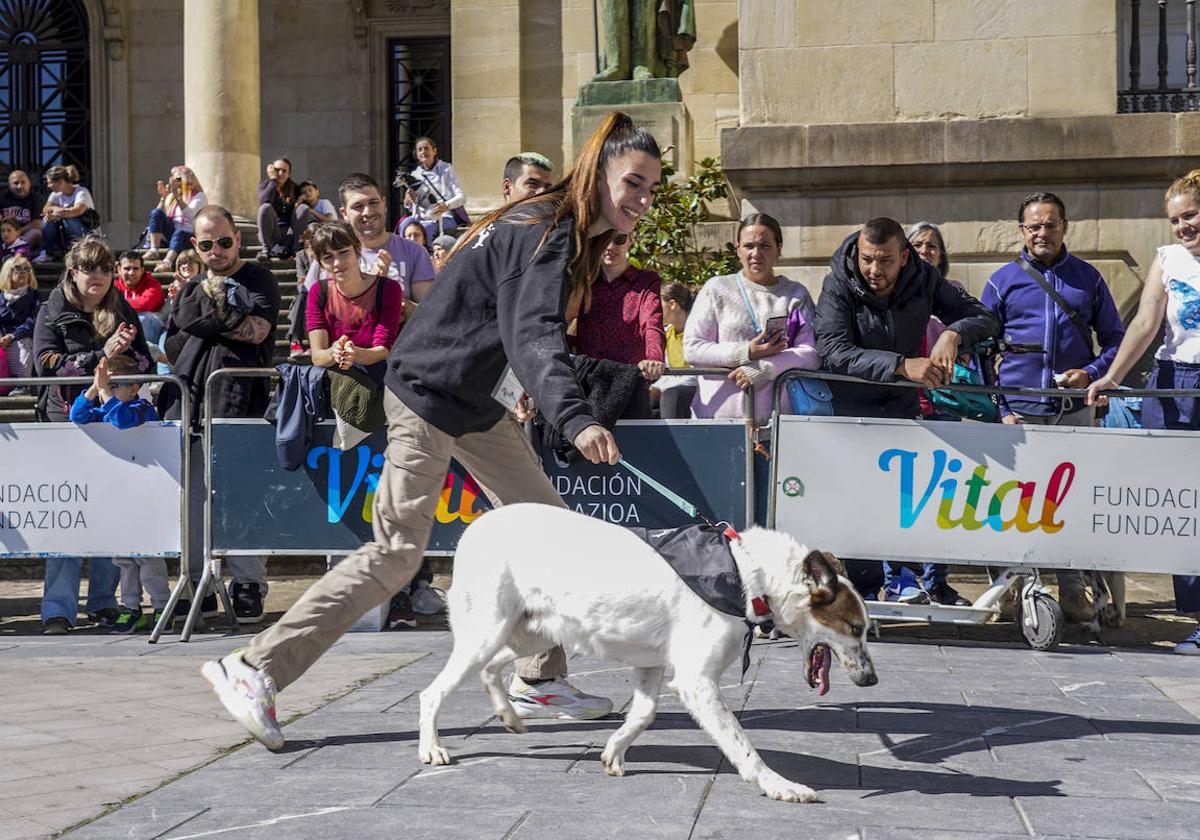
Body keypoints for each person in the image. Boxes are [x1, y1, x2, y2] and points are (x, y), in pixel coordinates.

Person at [201, 110, 662, 750]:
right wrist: (577, 418)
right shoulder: (546, 230)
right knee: (396, 553)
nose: (641, 199)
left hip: (472, 403)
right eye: (633, 182)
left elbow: (512, 334)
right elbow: (532, 338)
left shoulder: (552, 225)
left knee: (550, 527)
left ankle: (537, 676)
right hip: (424, 394)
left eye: (650, 188)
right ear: (598, 172)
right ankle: (253, 666)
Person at [814, 217, 998, 601]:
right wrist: (901, 365)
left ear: (904, 257)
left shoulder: (925, 277)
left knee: (902, 503)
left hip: (901, 410)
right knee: (857, 503)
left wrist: (953, 333)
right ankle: (862, 594)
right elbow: (832, 351)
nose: (873, 270)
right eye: (867, 259)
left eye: (884, 261)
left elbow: (984, 317)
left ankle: (905, 582)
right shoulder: (837, 282)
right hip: (851, 412)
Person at [982, 193, 1126, 623]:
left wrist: (1093, 372)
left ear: (1065, 226)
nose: (1043, 233)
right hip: (1019, 411)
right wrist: (1001, 405)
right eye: (1034, 226)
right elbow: (983, 350)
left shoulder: (1089, 279)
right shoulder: (1001, 281)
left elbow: (1116, 340)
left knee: (1070, 500)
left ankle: (1071, 585)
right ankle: (1016, 584)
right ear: (1021, 230)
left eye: (1051, 225)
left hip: (1072, 409)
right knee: (1014, 501)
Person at [1087, 169, 1200, 654]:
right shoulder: (1168, 259)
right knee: (1184, 506)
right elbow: (1146, 319)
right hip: (1173, 384)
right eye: (1174, 220)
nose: (1182, 228)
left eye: (1190, 215)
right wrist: (1112, 375)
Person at [158, 205, 281, 624]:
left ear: (238, 239)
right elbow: (173, 338)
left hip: (242, 400)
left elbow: (258, 331)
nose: (217, 251)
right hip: (190, 399)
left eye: (224, 242)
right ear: (196, 245)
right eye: (207, 244)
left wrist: (206, 320)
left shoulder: (259, 278)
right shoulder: (191, 285)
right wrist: (226, 318)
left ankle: (247, 584)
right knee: (192, 500)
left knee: (241, 496)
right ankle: (197, 584)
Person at [33, 236, 151, 634]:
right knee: (67, 518)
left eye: (105, 268)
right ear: (73, 271)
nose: (98, 276)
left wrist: (122, 355)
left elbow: (144, 363)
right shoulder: (54, 308)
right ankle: (58, 609)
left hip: (111, 423)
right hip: (65, 422)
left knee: (108, 514)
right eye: (90, 268)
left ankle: (103, 602)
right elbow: (44, 365)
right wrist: (100, 356)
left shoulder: (121, 307)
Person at [684, 213, 820, 422]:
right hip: (719, 421)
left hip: (779, 423)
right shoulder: (717, 288)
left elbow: (810, 353)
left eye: (765, 246)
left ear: (779, 248)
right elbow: (693, 348)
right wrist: (746, 352)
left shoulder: (796, 294)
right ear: (738, 249)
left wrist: (764, 368)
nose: (756, 253)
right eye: (749, 246)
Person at [69, 355, 168, 634]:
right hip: (117, 495)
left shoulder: (141, 408)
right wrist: (94, 387)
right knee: (124, 559)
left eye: (116, 387)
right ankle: (131, 608)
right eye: (108, 386)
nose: (109, 392)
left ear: (135, 386)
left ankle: (162, 606)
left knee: (148, 557)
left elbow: (123, 422)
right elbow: (77, 416)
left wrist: (104, 393)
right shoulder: (105, 408)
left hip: (144, 495)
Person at [305, 173, 436, 307]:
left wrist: (394, 301)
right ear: (344, 213)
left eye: (373, 202)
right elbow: (313, 312)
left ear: (384, 204)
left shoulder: (414, 251)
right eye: (358, 206)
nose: (367, 212)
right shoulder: (330, 255)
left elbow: (427, 312)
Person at [572, 229, 664, 416]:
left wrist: (654, 358)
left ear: (631, 239)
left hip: (630, 386)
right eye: (602, 239)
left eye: (619, 239)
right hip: (586, 385)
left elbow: (652, 323)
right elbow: (557, 322)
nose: (610, 246)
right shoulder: (581, 281)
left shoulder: (646, 281)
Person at [305, 221, 403, 373]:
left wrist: (356, 353)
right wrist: (334, 352)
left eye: (343, 252)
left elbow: (383, 349)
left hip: (380, 381)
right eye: (328, 257)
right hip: (334, 383)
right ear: (321, 264)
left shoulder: (389, 289)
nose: (337, 262)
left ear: (357, 250)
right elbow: (318, 356)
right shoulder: (318, 291)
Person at [402, 136, 467, 240]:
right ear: (417, 155)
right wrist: (409, 201)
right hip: (423, 217)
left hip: (445, 216)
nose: (423, 151)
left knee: (425, 229)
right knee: (404, 225)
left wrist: (446, 205)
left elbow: (462, 197)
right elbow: (415, 207)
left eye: (426, 148)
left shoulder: (446, 169)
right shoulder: (414, 175)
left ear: (434, 151)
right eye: (420, 149)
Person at [144, 166, 207, 271]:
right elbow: (157, 217)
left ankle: (167, 262)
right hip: (172, 234)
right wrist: (163, 198)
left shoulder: (199, 196)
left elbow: (190, 215)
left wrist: (177, 197)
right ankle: (153, 250)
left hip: (189, 236)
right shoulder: (171, 197)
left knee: (179, 233)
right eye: (176, 180)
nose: (179, 183)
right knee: (156, 212)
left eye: (180, 179)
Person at [35, 165, 98, 262]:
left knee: (69, 219)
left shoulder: (81, 192)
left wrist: (57, 213)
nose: (48, 186)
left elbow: (77, 211)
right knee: (47, 220)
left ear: (60, 182)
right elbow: (45, 209)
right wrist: (55, 209)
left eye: (50, 182)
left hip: (85, 232)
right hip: (64, 234)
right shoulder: (55, 195)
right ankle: (48, 252)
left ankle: (79, 249)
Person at [654, 281, 696, 418]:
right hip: (675, 385)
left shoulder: (697, 331)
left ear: (672, 304)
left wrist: (662, 389)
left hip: (696, 387)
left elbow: (695, 375)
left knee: (672, 395)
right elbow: (668, 371)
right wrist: (655, 388)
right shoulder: (667, 333)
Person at [0, 255, 39, 391]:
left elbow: (34, 321)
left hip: (22, 336)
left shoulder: (34, 296)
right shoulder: (1, 297)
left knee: (22, 345)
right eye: (17, 268)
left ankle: (21, 382)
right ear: (7, 272)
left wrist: (13, 336)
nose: (23, 272)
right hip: (3, 336)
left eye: (27, 269)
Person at [257, 157, 308, 260]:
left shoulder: (294, 188)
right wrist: (273, 181)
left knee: (303, 208)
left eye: (284, 171)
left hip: (290, 233)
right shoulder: (265, 185)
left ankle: (296, 250)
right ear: (271, 171)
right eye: (277, 170)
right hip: (272, 232)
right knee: (265, 207)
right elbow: (265, 201)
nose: (280, 173)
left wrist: (301, 200)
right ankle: (265, 249)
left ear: (289, 173)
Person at [115, 250, 166, 350]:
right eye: (127, 268)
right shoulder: (114, 286)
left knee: (142, 318)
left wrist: (117, 303)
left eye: (135, 268)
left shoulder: (152, 284)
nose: (131, 273)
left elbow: (144, 304)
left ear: (142, 270)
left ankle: (143, 355)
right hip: (126, 328)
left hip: (153, 329)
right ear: (119, 269)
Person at [0, 169, 43, 251]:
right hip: (5, 233)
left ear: (29, 184)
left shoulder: (36, 199)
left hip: (24, 234)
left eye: (23, 182)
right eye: (16, 183)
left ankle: (17, 253)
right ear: (9, 185)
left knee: (36, 233)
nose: (20, 186)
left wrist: (17, 232)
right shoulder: (3, 198)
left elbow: (37, 224)